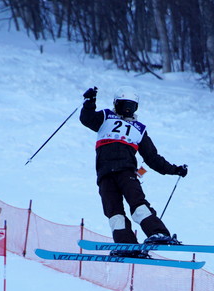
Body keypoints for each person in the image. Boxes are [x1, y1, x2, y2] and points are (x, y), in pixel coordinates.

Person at [79, 86, 188, 256]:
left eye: (131, 106)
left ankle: (158, 233)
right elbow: (87, 118)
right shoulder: (106, 117)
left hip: (126, 172)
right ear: (116, 104)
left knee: (138, 205)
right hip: (105, 176)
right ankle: (126, 245)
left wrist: (174, 170)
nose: (127, 109)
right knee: (114, 213)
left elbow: (152, 158)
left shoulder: (139, 129)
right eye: (124, 105)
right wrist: (89, 102)